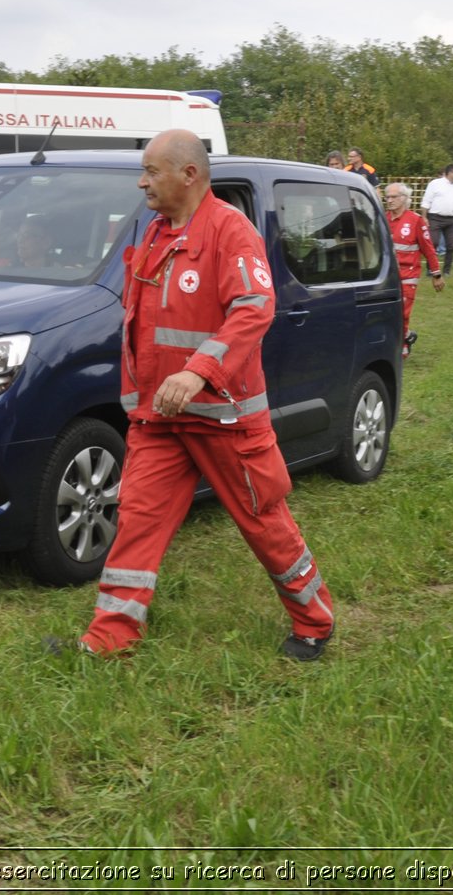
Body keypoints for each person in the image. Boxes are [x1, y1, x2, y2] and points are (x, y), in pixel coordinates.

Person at [71, 129, 336, 661]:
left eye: (152, 171)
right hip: (158, 419)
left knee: (265, 524)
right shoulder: (154, 233)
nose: (142, 182)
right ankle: (109, 639)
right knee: (137, 521)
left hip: (225, 419)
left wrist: (197, 372)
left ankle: (314, 621)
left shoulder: (231, 231)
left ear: (189, 174)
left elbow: (253, 307)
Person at [382, 182, 443, 357]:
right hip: (387, 276)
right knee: (387, 313)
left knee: (402, 313)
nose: (390, 200)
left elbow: (428, 249)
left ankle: (402, 350)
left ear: (404, 198)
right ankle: (407, 336)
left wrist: (436, 274)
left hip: (408, 275)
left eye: (394, 197)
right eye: (387, 197)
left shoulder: (415, 220)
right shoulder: (383, 218)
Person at [420, 163, 453, 275]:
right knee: (433, 243)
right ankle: (431, 269)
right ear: (450, 173)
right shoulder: (435, 184)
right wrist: (424, 217)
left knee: (450, 246)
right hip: (435, 218)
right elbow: (426, 200)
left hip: (452, 220)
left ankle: (446, 271)